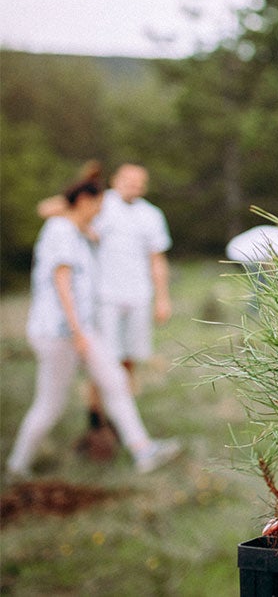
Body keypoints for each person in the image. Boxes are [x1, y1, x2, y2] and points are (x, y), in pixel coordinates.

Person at [5, 177, 180, 479]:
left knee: (115, 382)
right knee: (50, 404)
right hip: (59, 333)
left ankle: (143, 451)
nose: (100, 212)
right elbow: (62, 284)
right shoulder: (60, 231)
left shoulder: (76, 231)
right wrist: (77, 333)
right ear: (84, 202)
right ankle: (17, 466)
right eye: (98, 205)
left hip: (82, 330)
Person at [80, 164, 173, 455]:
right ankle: (96, 417)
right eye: (127, 180)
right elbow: (68, 215)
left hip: (138, 296)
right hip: (105, 296)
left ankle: (123, 420)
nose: (133, 185)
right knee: (104, 359)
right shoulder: (100, 204)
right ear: (115, 181)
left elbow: (157, 259)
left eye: (138, 182)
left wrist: (162, 297)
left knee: (129, 358)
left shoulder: (152, 214)